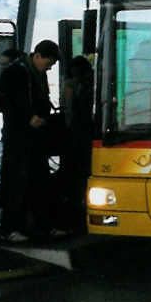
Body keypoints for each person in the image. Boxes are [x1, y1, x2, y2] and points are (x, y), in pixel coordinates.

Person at [0, 39, 61, 242]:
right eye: (47, 64)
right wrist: (28, 118)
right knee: (17, 182)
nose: (48, 68)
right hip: (18, 138)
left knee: (38, 181)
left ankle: (39, 225)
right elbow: (3, 102)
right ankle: (11, 228)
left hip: (33, 137)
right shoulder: (16, 72)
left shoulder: (34, 72)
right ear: (38, 56)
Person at [59, 55, 95, 234]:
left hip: (81, 136)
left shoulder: (90, 86)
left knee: (80, 175)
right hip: (76, 136)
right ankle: (76, 209)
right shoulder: (74, 85)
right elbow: (68, 108)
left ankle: (78, 209)